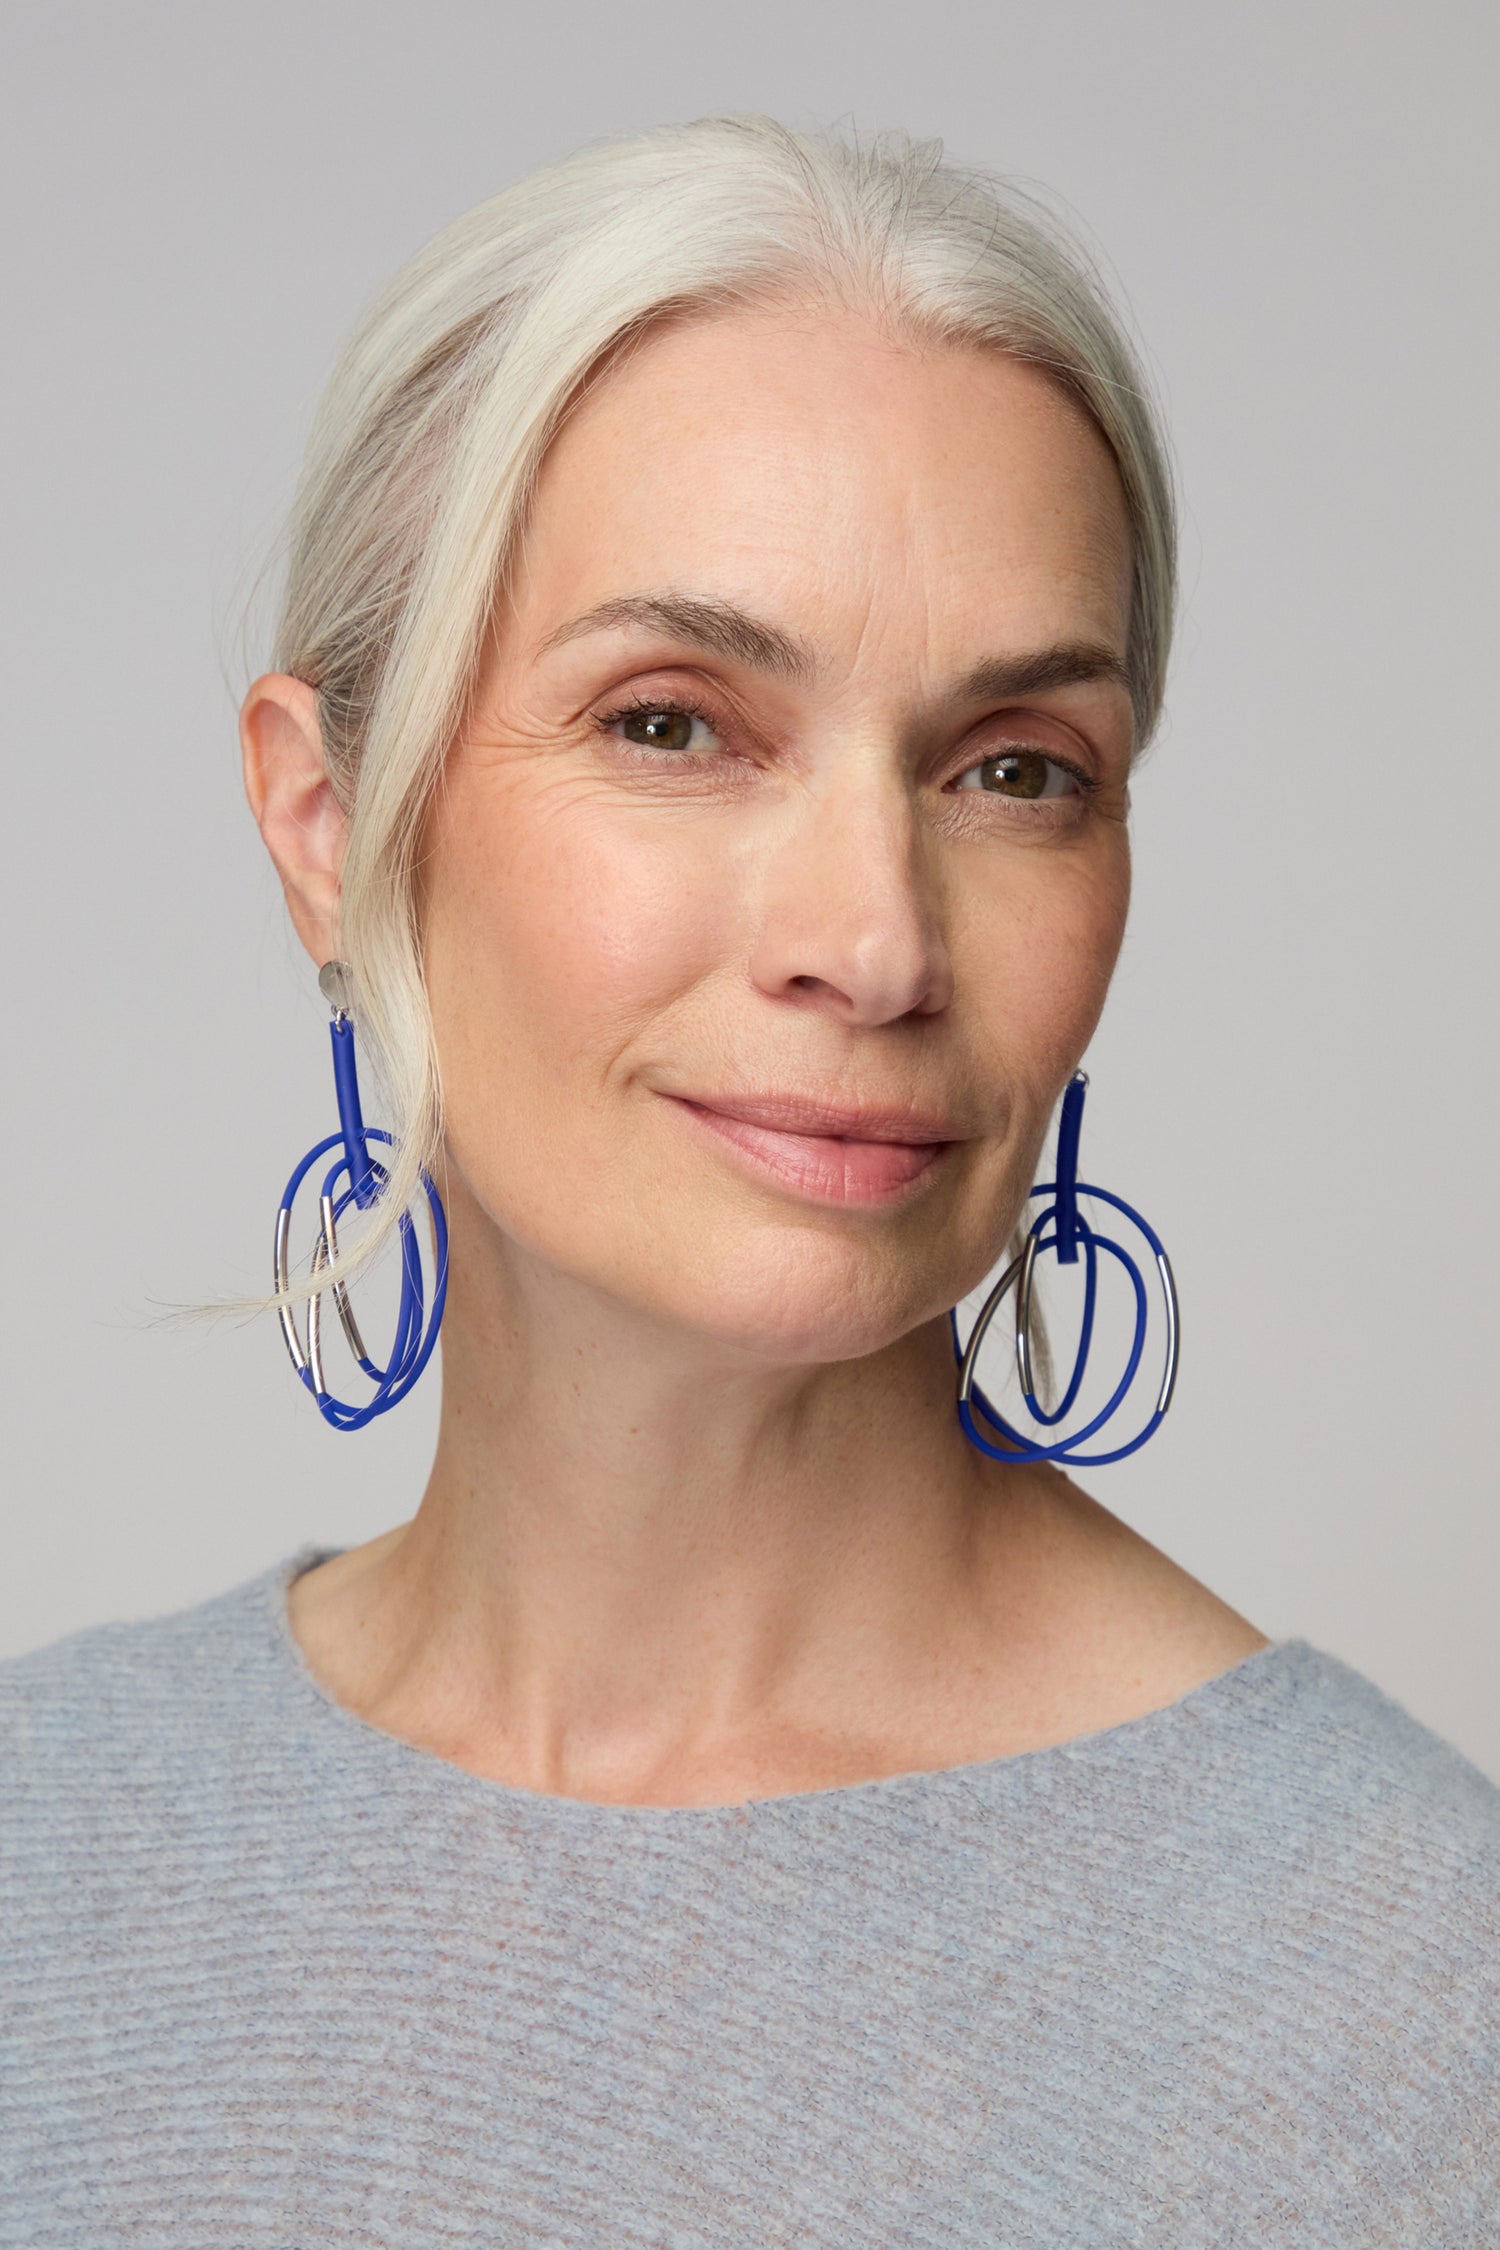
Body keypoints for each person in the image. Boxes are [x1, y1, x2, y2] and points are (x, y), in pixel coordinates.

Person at [2, 116, 1495, 2246]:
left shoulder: (1408, 2006)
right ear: (332, 823)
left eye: (1015, 771)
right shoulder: (46, 1836)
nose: (874, 941)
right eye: (676, 726)